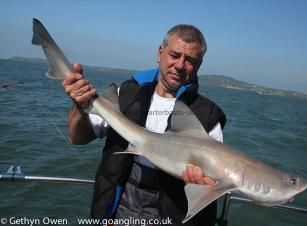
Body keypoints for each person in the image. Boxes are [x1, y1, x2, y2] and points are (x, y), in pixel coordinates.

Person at [62, 24, 226, 226]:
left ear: (199, 65)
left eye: (190, 60)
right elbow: (78, 138)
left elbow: (215, 182)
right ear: (160, 53)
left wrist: (205, 187)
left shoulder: (207, 117)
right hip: (116, 210)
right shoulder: (127, 94)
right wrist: (79, 107)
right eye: (174, 55)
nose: (180, 65)